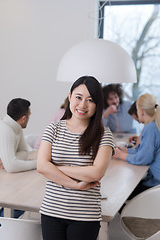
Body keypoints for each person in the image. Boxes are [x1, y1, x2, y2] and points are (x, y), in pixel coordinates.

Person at [37, 76, 114, 240]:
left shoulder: (104, 134)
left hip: (85, 216)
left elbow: (96, 173)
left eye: (90, 100)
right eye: (78, 97)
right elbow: (42, 166)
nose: (83, 105)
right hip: (52, 211)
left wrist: (55, 167)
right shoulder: (54, 128)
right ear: (70, 96)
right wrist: (75, 185)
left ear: (97, 104)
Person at [114, 94, 160, 199]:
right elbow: (142, 151)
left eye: (137, 110)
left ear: (141, 111)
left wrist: (120, 155)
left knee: (123, 194)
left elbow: (143, 159)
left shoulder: (151, 128)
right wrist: (125, 151)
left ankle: (131, 214)